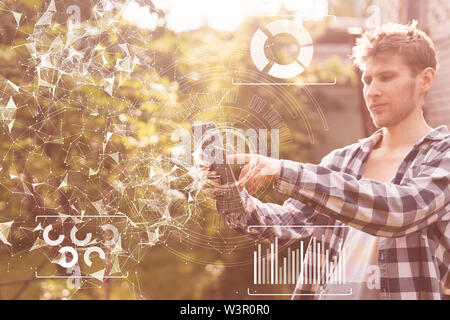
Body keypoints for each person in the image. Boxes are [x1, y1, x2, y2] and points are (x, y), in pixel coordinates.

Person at [201, 21, 449, 300]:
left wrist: (284, 171)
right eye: (367, 80)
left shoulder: (443, 157)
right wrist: (229, 191)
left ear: (425, 80)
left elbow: (399, 211)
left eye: (387, 77)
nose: (372, 91)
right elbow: (282, 224)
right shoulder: (341, 162)